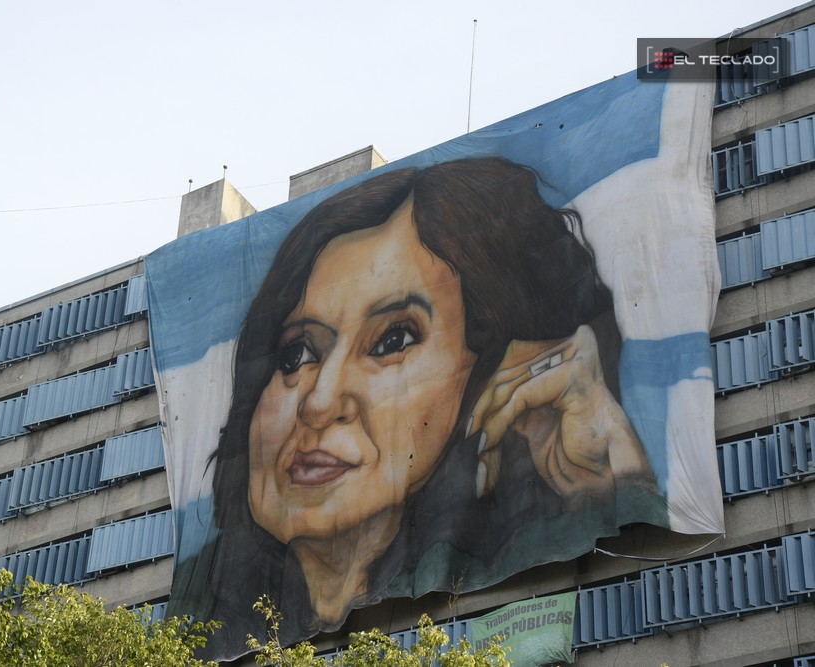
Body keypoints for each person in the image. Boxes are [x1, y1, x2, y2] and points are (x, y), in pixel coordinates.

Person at [193, 157, 658, 657]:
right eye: (296, 353)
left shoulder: (497, 591)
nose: (320, 402)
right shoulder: (181, 629)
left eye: (393, 339)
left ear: (495, 371)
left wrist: (614, 490)